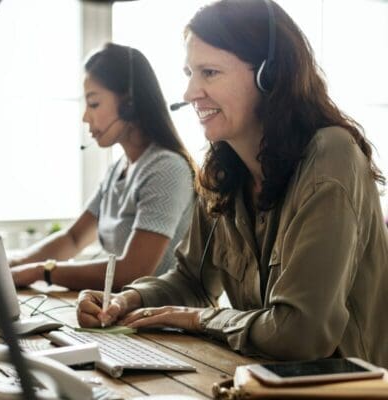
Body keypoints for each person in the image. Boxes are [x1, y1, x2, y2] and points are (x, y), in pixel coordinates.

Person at [77, 0, 388, 368]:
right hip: (263, 382)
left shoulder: (332, 155)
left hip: (348, 389)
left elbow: (302, 332)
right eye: (189, 73)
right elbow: (192, 281)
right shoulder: (225, 171)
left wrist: (197, 319)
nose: (191, 92)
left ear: (268, 76)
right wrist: (127, 300)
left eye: (209, 72)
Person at [10, 43, 197, 291]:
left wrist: (41, 272)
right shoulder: (118, 170)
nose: (85, 117)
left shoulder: (166, 168)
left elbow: (131, 272)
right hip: (120, 313)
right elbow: (73, 238)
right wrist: (14, 264)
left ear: (129, 104)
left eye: (94, 104)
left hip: (162, 322)